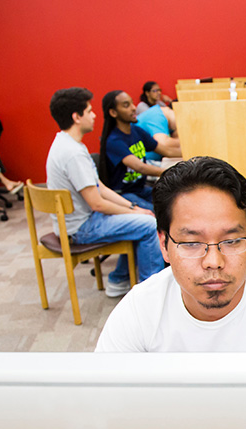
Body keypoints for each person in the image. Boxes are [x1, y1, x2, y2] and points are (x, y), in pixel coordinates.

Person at [96, 156, 246, 353]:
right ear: (164, 245)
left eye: (232, 240)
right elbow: (104, 405)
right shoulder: (140, 310)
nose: (214, 261)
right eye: (192, 242)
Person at [46, 87, 164, 297]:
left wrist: (131, 207)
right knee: (149, 224)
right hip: (82, 227)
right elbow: (97, 203)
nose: (94, 115)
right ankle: (150, 293)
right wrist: (136, 213)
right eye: (89, 111)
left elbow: (100, 187)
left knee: (141, 218)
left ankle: (118, 279)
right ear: (76, 117)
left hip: (81, 221)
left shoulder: (68, 144)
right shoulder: (73, 153)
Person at [98, 90, 183, 205]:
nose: (133, 108)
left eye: (132, 103)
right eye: (126, 105)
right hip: (123, 194)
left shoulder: (136, 131)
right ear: (113, 113)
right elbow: (140, 167)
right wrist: (172, 172)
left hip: (141, 189)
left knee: (172, 202)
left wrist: (191, 153)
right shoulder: (114, 141)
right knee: (156, 214)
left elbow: (166, 150)